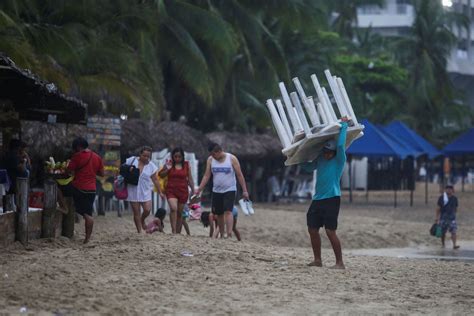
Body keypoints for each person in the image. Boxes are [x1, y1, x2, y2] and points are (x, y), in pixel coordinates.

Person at [301, 117, 349, 269]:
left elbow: (341, 145)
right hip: (318, 199)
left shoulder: (339, 159)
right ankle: (317, 260)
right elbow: (308, 168)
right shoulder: (321, 159)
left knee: (330, 231)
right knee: (312, 229)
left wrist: (344, 126)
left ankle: (339, 263)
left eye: (330, 152)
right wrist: (296, 158)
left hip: (332, 198)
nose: (327, 154)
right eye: (325, 151)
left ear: (334, 152)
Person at [196, 143, 249, 239]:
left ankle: (229, 234)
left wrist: (245, 191)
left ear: (219, 151)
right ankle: (221, 233)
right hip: (216, 190)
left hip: (230, 189)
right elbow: (206, 175)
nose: (212, 156)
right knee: (219, 213)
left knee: (228, 211)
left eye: (213, 154)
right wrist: (200, 188)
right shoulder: (210, 160)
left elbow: (240, 175)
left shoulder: (232, 159)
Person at [67, 137, 104, 244]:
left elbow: (69, 170)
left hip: (79, 188)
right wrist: (91, 171)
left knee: (61, 190)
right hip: (92, 189)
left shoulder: (77, 156)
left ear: (78, 147)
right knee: (87, 212)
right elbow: (101, 174)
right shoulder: (97, 157)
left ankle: (65, 208)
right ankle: (87, 238)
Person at [126, 146, 165, 233]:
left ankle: (142, 219)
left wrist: (160, 192)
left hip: (145, 191)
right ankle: (139, 231)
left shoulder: (151, 166)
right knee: (136, 212)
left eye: (148, 156)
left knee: (147, 210)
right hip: (133, 189)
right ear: (140, 154)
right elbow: (122, 169)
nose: (146, 158)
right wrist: (129, 170)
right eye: (144, 156)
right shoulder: (132, 160)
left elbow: (155, 179)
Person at [158, 147, 194, 234]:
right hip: (171, 190)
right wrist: (168, 169)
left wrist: (193, 189)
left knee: (179, 213)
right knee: (173, 208)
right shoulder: (169, 164)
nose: (177, 158)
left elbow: (190, 178)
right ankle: (173, 230)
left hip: (183, 191)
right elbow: (160, 175)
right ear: (172, 157)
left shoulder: (186, 165)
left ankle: (178, 232)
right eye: (175, 156)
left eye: (179, 157)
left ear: (182, 157)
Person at [435, 185, 460, 249]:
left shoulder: (455, 198)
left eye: (450, 189)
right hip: (443, 218)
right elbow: (438, 208)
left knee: (453, 232)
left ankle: (454, 245)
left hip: (452, 218)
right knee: (443, 233)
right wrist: (437, 217)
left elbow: (456, 208)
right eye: (447, 189)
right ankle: (443, 244)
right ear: (445, 190)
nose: (449, 190)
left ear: (452, 190)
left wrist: (454, 214)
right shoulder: (441, 198)